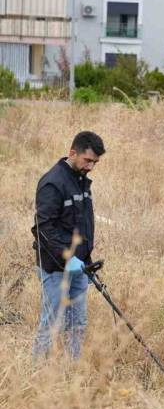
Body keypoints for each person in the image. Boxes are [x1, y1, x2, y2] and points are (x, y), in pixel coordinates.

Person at [31, 131, 105, 359]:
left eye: (95, 162)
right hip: (55, 270)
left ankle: (73, 373)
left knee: (78, 323)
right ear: (73, 152)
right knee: (52, 323)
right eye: (88, 160)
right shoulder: (53, 183)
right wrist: (66, 257)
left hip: (79, 267)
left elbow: (81, 225)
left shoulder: (81, 181)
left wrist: (86, 259)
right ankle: (38, 375)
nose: (91, 166)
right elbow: (43, 228)